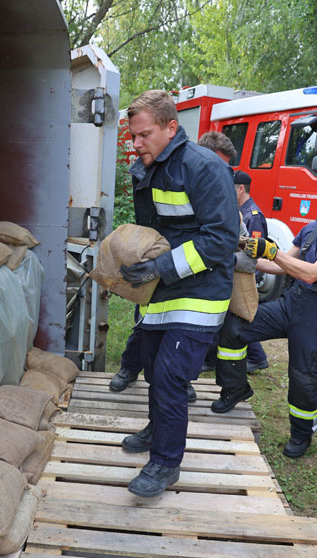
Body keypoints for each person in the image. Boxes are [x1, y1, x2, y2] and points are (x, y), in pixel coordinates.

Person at [118, 90, 239, 497]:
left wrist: (159, 267)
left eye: (143, 135)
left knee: (170, 375)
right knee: (153, 367)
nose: (136, 145)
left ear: (172, 127)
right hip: (164, 289)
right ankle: (159, 428)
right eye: (132, 137)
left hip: (201, 292)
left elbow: (221, 240)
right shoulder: (149, 167)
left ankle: (166, 463)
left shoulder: (203, 167)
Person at [109, 130, 238, 394]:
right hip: (158, 285)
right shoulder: (178, 172)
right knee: (143, 331)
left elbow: (224, 237)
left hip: (191, 286)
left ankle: (177, 381)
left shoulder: (217, 188)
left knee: (172, 367)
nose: (221, 173)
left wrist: (162, 266)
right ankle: (130, 368)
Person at [211, 222, 317, 458]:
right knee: (234, 326)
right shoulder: (312, 228)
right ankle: (235, 387)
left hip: (314, 315)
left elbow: (311, 274)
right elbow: (284, 266)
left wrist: (272, 251)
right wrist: (241, 258)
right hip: (293, 302)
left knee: (303, 375)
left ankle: (301, 434)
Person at [233, 170, 269, 373]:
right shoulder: (240, 211)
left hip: (247, 274)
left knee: (244, 316)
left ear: (240, 188)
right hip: (239, 270)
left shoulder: (252, 216)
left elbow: (255, 253)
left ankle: (257, 357)